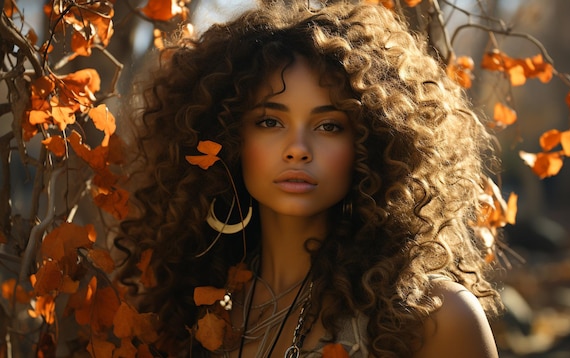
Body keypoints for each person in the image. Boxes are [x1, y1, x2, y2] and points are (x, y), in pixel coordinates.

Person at [114, 1, 503, 357]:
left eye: (329, 125)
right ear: (229, 137)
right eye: (270, 121)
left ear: (370, 144)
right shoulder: (187, 313)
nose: (297, 148)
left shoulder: (435, 317)